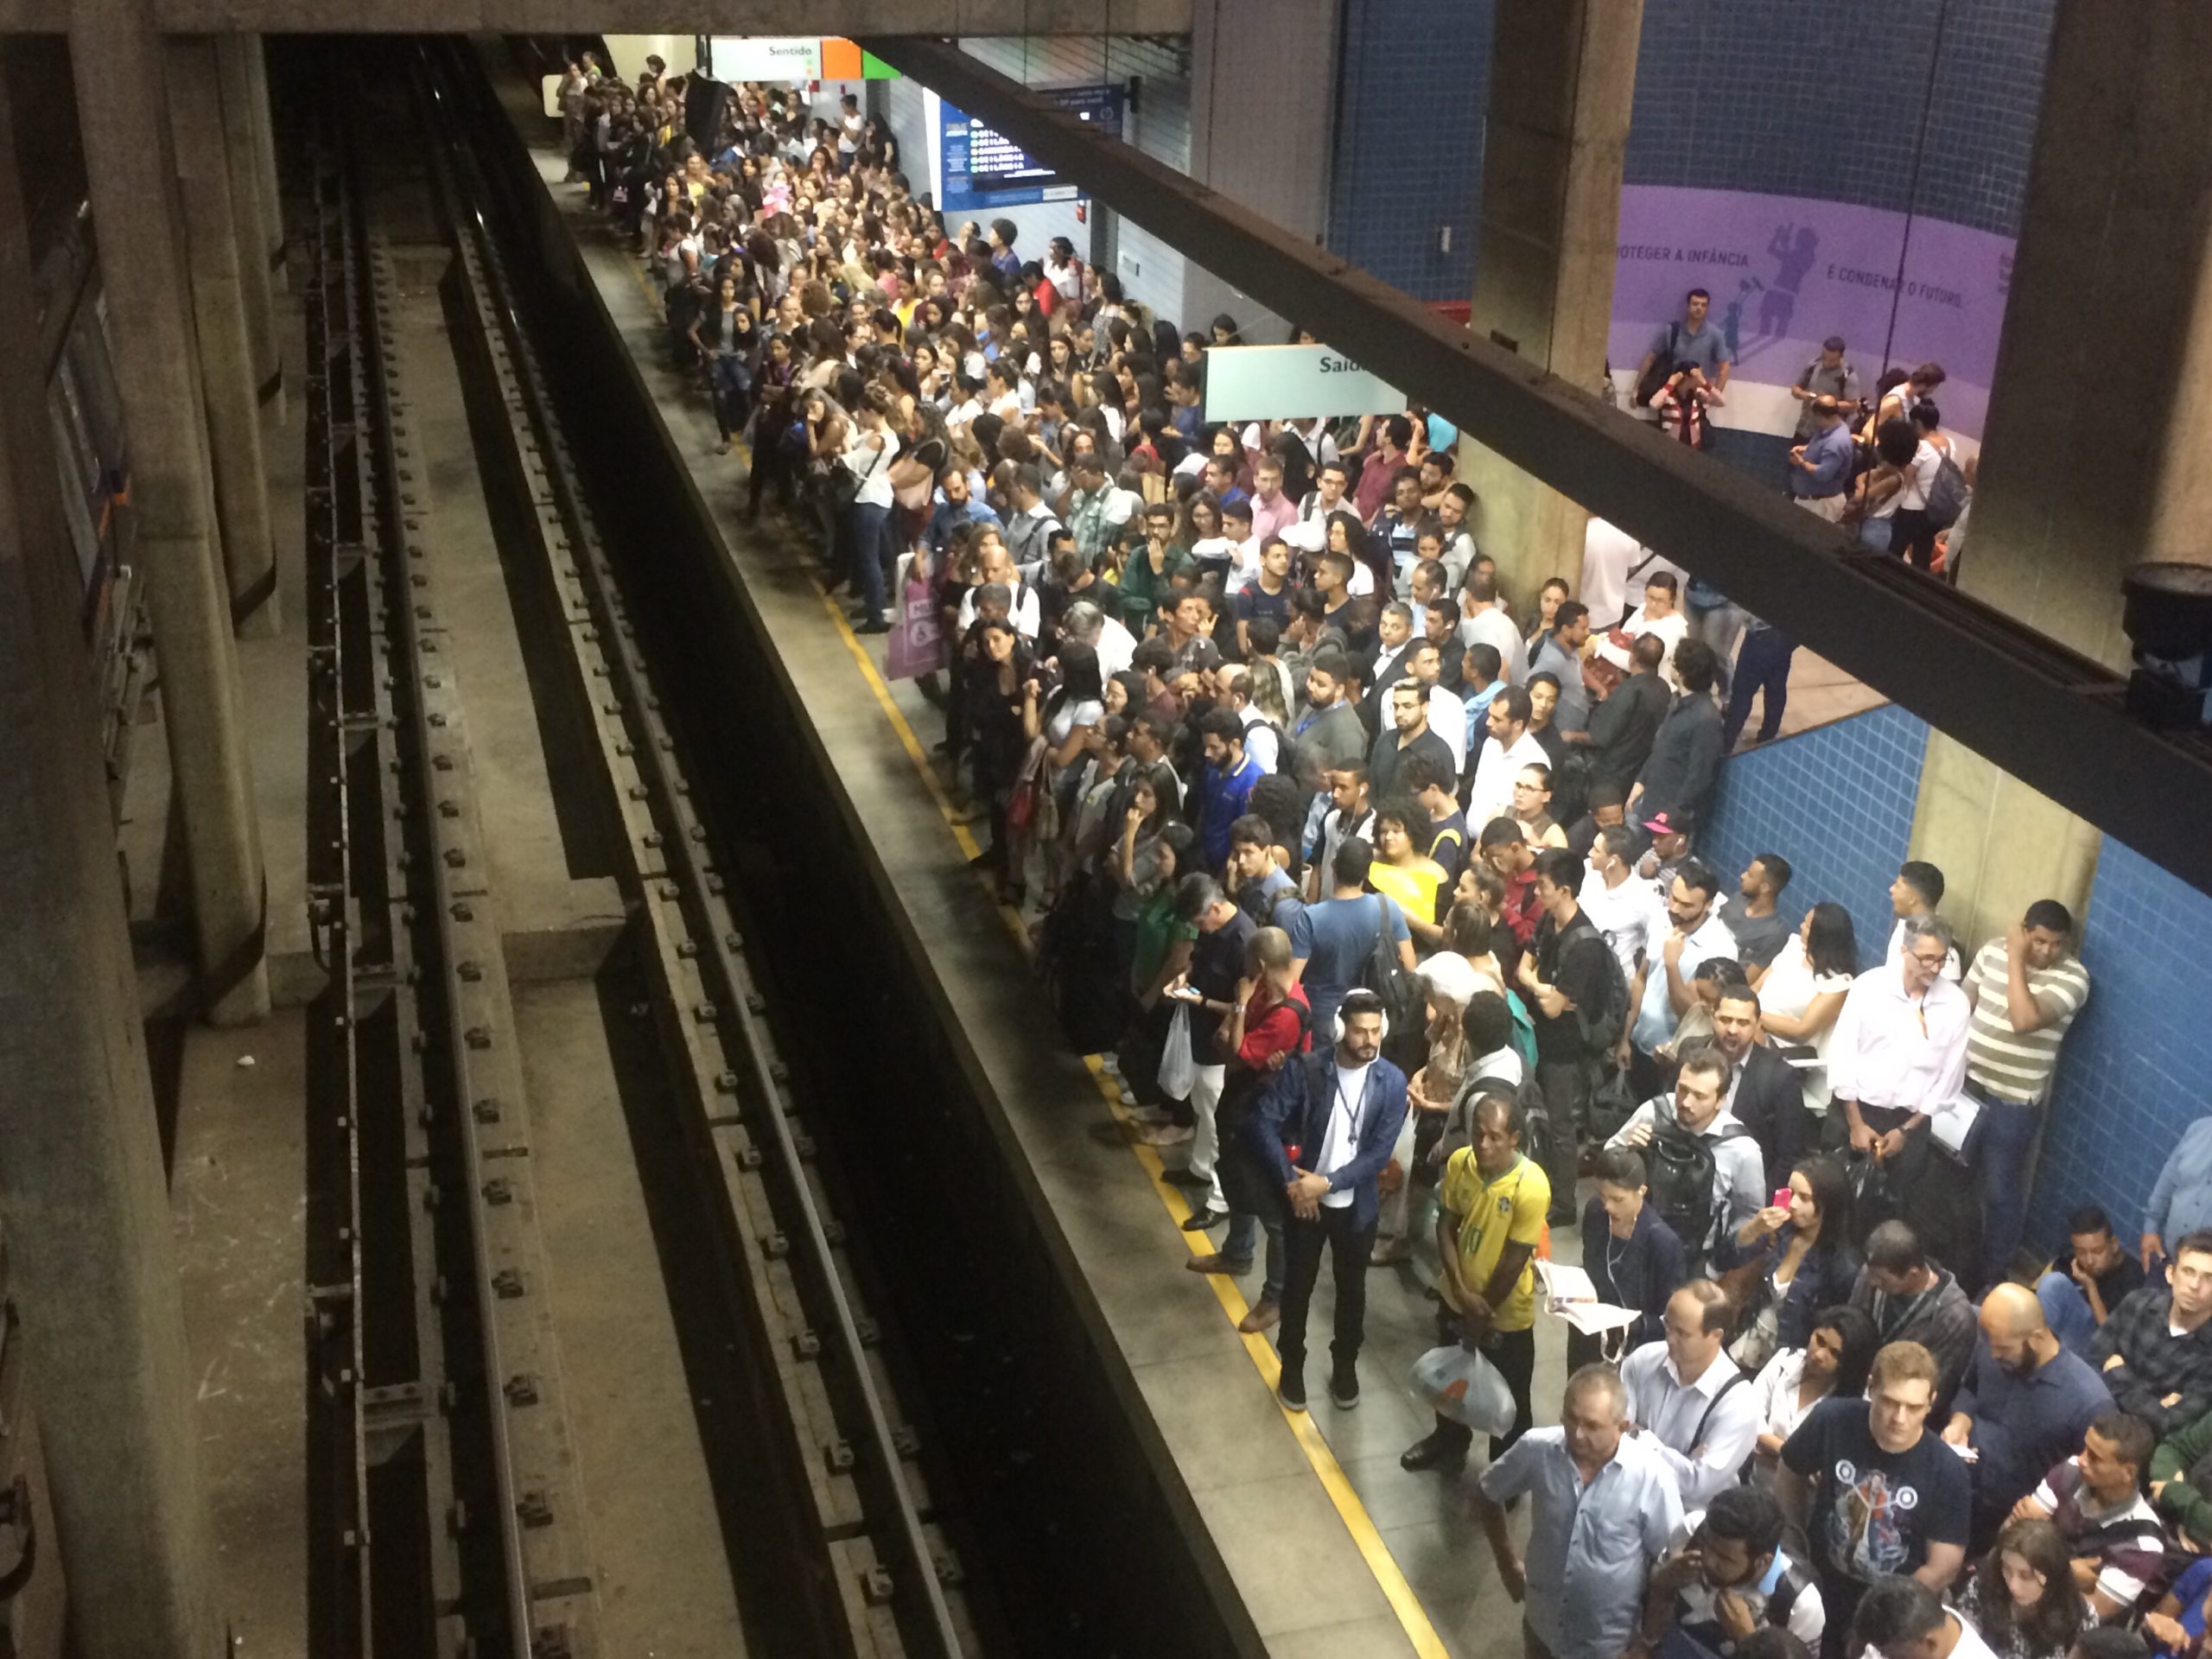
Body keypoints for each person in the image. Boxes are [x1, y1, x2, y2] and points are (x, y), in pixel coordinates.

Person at [1250, 988, 1407, 1411]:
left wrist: (1326, 1184)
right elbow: (1262, 1121)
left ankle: (1345, 1367)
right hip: (1304, 1204)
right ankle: (1293, 1367)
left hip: (1354, 1208)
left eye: (1375, 1031)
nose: (1368, 1041)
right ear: (1339, 1030)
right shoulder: (1306, 1071)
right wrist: (1293, 1185)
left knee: (1352, 1292)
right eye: (1359, 1032)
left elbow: (1377, 1152)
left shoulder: (1391, 1082)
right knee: (1297, 1290)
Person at [1474, 1364, 1683, 1659]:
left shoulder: (1652, 1478)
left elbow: (1670, 1568)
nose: (1577, 1434)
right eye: (1570, 1419)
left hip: (1607, 1646)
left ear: (1621, 1427)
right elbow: (1487, 1491)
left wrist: (1647, 1643)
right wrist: (1507, 1564)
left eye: (1592, 1425)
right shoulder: (1538, 1450)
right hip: (1542, 1629)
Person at [1777, 1341, 1971, 1657]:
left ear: (1931, 1403)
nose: (1899, 1417)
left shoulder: (1947, 1471)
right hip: (1819, 1580)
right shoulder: (1833, 1419)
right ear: (1871, 1389)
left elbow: (1942, 1568)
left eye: (1913, 1407)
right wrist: (1794, 1537)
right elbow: (1790, 1469)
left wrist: (1878, 1622)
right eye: (1889, 1402)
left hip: (1888, 1611)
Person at [1401, 1088, 1551, 1475]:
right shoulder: (1460, 1164)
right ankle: (1448, 1441)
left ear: (1515, 1137)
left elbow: (1516, 1257)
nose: (1484, 1144)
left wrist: (1481, 1309)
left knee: (1512, 1397)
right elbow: (1446, 1225)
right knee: (1451, 1381)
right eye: (1478, 1134)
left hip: (1505, 1314)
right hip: (1460, 1299)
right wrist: (1460, 1291)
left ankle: (1508, 1472)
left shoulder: (1530, 1185)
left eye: (1495, 1137)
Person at [1186, 925, 1313, 1337]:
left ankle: (1275, 1295)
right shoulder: (1263, 990)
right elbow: (1226, 1043)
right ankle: (1237, 1252)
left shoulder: (1287, 1010)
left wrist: (1238, 1012)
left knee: (1274, 1211)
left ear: (1258, 964)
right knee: (1235, 1178)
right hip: (1240, 1103)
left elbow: (1239, 1052)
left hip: (1266, 1118)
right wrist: (1236, 1035)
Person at [1965, 903, 2093, 1291]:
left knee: (2000, 1191)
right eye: (2038, 941)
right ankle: (1956, 1255)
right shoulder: (1990, 952)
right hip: (1967, 1087)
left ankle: (1991, 1277)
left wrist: (2017, 959)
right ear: (2024, 930)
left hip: (2013, 1102)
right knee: (1954, 1177)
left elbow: (2024, 1021)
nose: (2046, 951)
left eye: (2056, 944)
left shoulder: (2073, 979)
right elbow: (1960, 1006)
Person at [1945, 1283, 2115, 1547]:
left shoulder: (2089, 1402)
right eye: (1990, 1344)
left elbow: (2094, 1485)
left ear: (2036, 1338)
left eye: (2003, 1348)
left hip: (2010, 1519)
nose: (1993, 1354)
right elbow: (1971, 1388)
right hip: (1957, 1481)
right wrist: (1960, 1422)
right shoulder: (1997, 1347)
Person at [1829, 916, 1970, 1206]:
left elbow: (1948, 1078)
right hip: (1854, 1111)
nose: (1935, 967)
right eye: (1926, 958)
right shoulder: (1870, 987)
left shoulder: (1955, 1005)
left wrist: (1906, 1131)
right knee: (1833, 1197)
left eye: (1942, 959)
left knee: (1893, 1205)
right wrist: (1856, 1124)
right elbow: (1843, 1053)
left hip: (1909, 1123)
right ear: (1905, 952)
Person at [1516, 847, 1624, 1222]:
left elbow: (1550, 1006)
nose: (1536, 893)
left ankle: (1563, 1205)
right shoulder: (1550, 921)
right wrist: (1549, 988)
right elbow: (1523, 971)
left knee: (1561, 1125)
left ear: (1564, 890)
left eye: (1543, 886)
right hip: (1541, 1038)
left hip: (1566, 1051)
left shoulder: (1586, 945)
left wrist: (1544, 991)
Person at [1607, 1048, 1767, 1271]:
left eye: (1700, 1096)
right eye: (1683, 1089)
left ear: (1720, 1100)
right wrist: (1626, 1151)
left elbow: (1749, 1213)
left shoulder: (1742, 1149)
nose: (1686, 1102)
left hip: (1695, 1258)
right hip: (1635, 1241)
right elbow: (1606, 1164)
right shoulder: (1654, 1112)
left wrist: (1717, 1267)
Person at [1159, 877, 1258, 1209]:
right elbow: (1198, 963)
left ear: (1215, 908)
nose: (1200, 928)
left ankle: (1220, 1198)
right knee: (1203, 1110)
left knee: (1216, 1122)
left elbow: (1244, 1007)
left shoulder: (1245, 941)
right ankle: (1201, 1169)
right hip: (1200, 1038)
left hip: (1222, 1049)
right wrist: (1184, 978)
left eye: (1201, 921)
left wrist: (1198, 1002)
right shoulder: (1212, 930)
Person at [1622, 1280, 1764, 1508]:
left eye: (1682, 1333)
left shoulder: (1738, 1403)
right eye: (1667, 1326)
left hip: (1691, 1523)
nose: (1669, 1338)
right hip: (1630, 1500)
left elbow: (1695, 1486)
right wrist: (1683, 1463)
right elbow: (1610, 1438)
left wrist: (1638, 1435)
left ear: (1716, 1336)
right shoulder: (1644, 1360)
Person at [1642, 1484, 1829, 1655]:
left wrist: (1747, 1639)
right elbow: (1653, 1631)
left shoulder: (1799, 1604)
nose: (1708, 1559)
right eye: (1707, 1544)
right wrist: (1663, 1584)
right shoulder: (1691, 1532)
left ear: (1763, 1562)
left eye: (1725, 1558)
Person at [1718, 1156, 1862, 1375]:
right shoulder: (1780, 1230)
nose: (1793, 1204)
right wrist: (1754, 1228)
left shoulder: (1842, 1265)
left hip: (1786, 1364)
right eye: (1791, 1193)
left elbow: (1834, 1330)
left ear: (1828, 1204)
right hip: (1741, 1341)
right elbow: (1724, 1259)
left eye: (1805, 1198)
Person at [2018, 1411, 2166, 1621]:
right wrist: (2066, 1571)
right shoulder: (2071, 1471)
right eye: (2085, 1448)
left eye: (2095, 1458)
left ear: (2128, 1473)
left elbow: (2089, 1615)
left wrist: (2035, 1551)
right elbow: (2011, 1534)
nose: (2081, 1460)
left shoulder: (2144, 1543)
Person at [1628, 861, 1739, 1103]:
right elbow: (1641, 977)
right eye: (1673, 898)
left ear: (1708, 905)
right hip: (1639, 1041)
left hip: (1676, 1060)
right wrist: (1626, 1035)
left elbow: (1698, 1015)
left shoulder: (1720, 949)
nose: (1675, 909)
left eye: (1687, 905)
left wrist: (1672, 966)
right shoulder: (1661, 921)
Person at [1751, 903, 1858, 1141]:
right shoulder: (1792, 949)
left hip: (1785, 1052)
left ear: (1822, 935)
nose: (1801, 926)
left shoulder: (1838, 982)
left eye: (1808, 924)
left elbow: (1802, 1030)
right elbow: (1757, 987)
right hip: (1752, 1026)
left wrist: (1753, 1017)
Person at [2088, 1230, 2212, 1436]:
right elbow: (2092, 1358)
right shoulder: (2137, 1302)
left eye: (2209, 1278)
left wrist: (2117, 1371)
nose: (2194, 1285)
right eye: (2189, 1271)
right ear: (2170, 1274)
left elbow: (2169, 1424)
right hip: (2094, 1410)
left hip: (2132, 1447)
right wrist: (2155, 1404)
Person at [1851, 1222, 1983, 1413]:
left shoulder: (1953, 1318)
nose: (1872, 1282)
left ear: (1912, 1274)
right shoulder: (1872, 1272)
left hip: (1898, 1408)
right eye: (1871, 1274)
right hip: (1856, 1387)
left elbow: (1933, 1393)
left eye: (1882, 1279)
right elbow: (1850, 1329)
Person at [1577, 1145, 1689, 1363]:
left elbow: (1671, 1318)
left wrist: (1631, 1324)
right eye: (1602, 1195)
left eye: (1618, 1199)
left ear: (1642, 1192)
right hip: (1590, 1332)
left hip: (1637, 1349)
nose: (1607, 1206)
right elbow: (1590, 1267)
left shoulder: (1662, 1243)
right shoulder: (1595, 1212)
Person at [1748, 1304, 1880, 1479]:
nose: (1819, 1355)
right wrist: (1791, 1455)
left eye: (1835, 1353)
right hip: (1753, 1480)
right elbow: (1747, 1416)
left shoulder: (1856, 1406)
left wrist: (1770, 1446)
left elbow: (1828, 1467)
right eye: (1820, 1341)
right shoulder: (1784, 1361)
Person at [1712, 984, 1815, 1181]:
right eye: (1725, 1020)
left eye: (1743, 1023)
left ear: (1758, 1024)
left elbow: (1790, 1155)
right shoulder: (1692, 1055)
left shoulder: (1780, 1077)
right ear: (1712, 1016)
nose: (1732, 1029)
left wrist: (1760, 1203)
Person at [1954, 1518, 2094, 1659]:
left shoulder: (2080, 1617)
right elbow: (1961, 1644)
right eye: (2007, 1569)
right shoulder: (1983, 1586)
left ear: (2053, 1574)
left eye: (2026, 1576)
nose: (2013, 1585)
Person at [1633, 639, 1728, 833]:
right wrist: (1641, 781)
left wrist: (1669, 818)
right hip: (1649, 803)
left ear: (1681, 672)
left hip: (1667, 822)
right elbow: (1661, 747)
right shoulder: (1677, 700)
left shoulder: (1706, 720)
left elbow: (1699, 778)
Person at [2036, 1207, 2147, 1360]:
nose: (2089, 1260)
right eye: (2081, 1252)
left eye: (2097, 1251)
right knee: (2053, 1282)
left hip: (2098, 1346)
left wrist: (2091, 1287)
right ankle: (2036, 1350)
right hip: (2065, 1331)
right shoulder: (2071, 1259)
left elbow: (2113, 1338)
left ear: (2114, 1244)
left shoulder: (2132, 1275)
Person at [1586, 633, 1672, 797]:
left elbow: (1601, 736)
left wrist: (1570, 736)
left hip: (1613, 773)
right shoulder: (1664, 689)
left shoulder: (1629, 691)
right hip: (1639, 768)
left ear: (1632, 658)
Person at [1192, 709, 1262, 874]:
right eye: (1206, 746)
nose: (1207, 753)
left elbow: (1245, 836)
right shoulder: (1212, 768)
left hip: (1227, 868)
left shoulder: (1252, 781)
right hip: (1203, 858)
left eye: (1214, 747)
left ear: (1235, 744)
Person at [1468, 685, 1548, 830]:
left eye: (1497, 719)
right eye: (1490, 715)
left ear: (1518, 724)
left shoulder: (1535, 761)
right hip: (1470, 839)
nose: (1488, 722)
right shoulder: (1491, 743)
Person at [1369, 678, 1456, 802]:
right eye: (1396, 706)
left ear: (1425, 707)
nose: (1399, 713)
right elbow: (1372, 790)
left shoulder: (1440, 753)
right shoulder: (1385, 741)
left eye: (1407, 706)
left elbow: (1440, 804)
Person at [1640, 287, 1735, 398]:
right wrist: (1636, 389)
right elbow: (1650, 358)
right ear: (1688, 306)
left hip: (1698, 397)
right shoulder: (1672, 331)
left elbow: (1724, 368)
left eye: (1703, 305)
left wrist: (1714, 396)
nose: (1699, 308)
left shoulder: (1715, 334)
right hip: (1670, 395)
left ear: (1707, 308)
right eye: (1695, 304)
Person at [1885, 861, 1963, 981]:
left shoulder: (1947, 953)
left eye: (1898, 885)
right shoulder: (1902, 928)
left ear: (1912, 898)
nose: (1891, 889)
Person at [1788, 393, 1857, 522]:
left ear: (1820, 415)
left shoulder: (1837, 442)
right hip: (1809, 500)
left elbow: (1823, 474)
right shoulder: (1828, 429)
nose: (1811, 419)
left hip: (1821, 505)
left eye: (1813, 416)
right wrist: (1806, 449)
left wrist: (1801, 462)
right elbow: (1821, 448)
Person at [1724, 855, 1796, 974]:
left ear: (1765, 887)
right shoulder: (1739, 898)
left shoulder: (1774, 935)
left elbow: (1748, 979)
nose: (1743, 876)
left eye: (1750, 875)